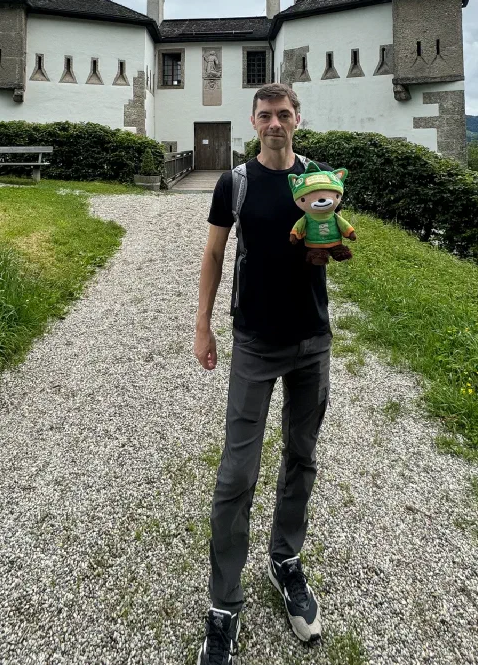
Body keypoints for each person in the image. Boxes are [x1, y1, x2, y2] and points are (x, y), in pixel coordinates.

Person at [194, 83, 341, 664]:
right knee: (236, 474)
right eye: (265, 115)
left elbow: (329, 240)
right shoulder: (236, 183)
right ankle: (224, 603)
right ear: (253, 122)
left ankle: (285, 562)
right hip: (253, 342)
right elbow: (213, 255)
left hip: (312, 340)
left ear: (298, 119)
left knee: (302, 457)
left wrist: (327, 249)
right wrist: (203, 326)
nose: (275, 123)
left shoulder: (320, 179)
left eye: (284, 114)